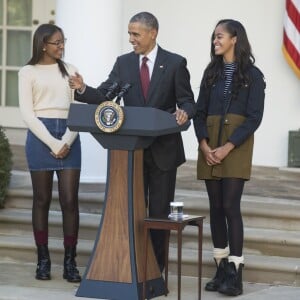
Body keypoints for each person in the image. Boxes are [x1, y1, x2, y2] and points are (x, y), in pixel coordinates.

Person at [69, 11, 195, 272]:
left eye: (135, 34)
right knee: (134, 213)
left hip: (163, 152)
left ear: (153, 33)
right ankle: (134, 268)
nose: (131, 39)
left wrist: (184, 112)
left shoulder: (174, 63)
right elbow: (105, 95)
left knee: (159, 215)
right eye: (129, 33)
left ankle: (156, 271)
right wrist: (82, 89)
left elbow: (187, 102)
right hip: (130, 152)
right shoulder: (124, 63)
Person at [193, 19, 265, 296]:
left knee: (229, 205)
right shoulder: (211, 73)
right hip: (209, 146)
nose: (215, 41)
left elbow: (254, 118)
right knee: (215, 207)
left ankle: (235, 272)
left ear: (235, 38)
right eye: (214, 37)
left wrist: (228, 146)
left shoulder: (253, 75)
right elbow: (199, 112)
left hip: (236, 147)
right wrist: (204, 144)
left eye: (220, 36)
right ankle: (220, 267)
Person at [18, 24, 82, 282]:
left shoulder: (72, 71)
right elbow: (27, 114)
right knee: (41, 200)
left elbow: (78, 109)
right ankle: (43, 260)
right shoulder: (27, 72)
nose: (62, 46)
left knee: (69, 201)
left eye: (63, 41)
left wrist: (66, 138)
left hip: (70, 134)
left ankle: (70, 262)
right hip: (40, 136)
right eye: (56, 42)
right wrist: (53, 143)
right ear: (43, 43)